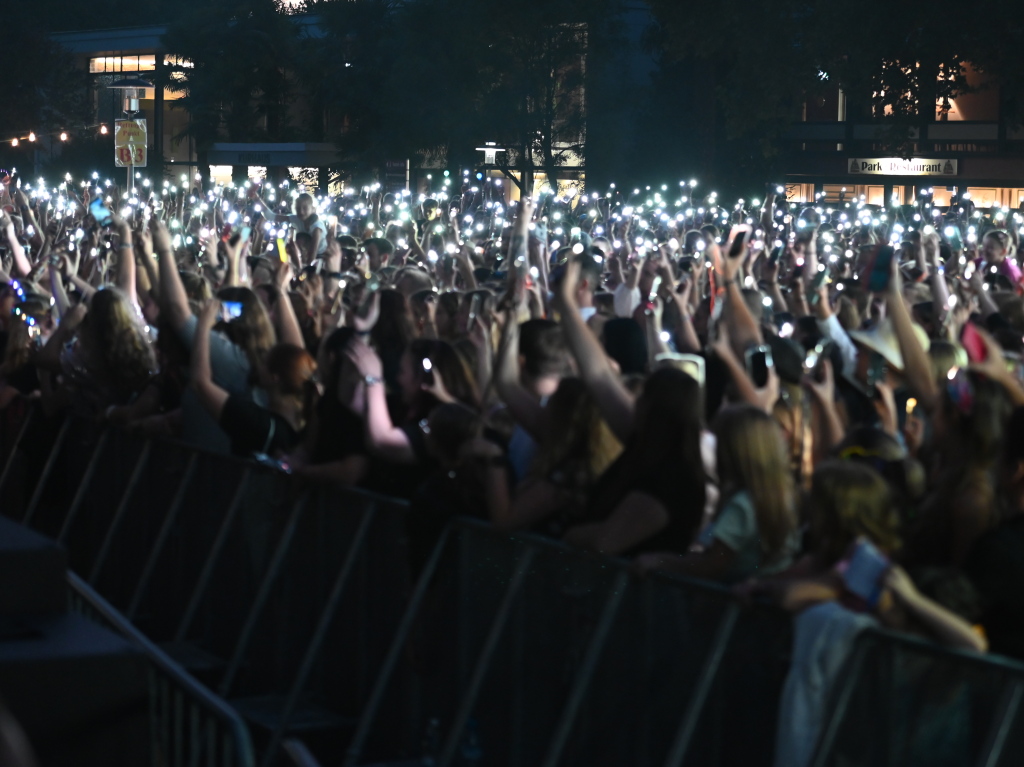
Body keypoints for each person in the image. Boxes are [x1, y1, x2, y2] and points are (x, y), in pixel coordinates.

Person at [191, 299, 316, 458]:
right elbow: (296, 359)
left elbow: (200, 384)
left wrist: (202, 326)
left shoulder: (258, 424)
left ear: (274, 378)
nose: (257, 366)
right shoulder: (302, 423)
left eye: (264, 363)